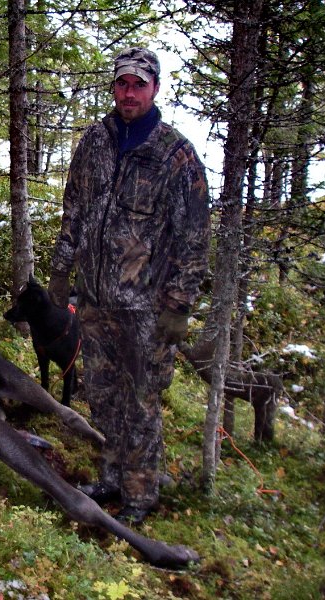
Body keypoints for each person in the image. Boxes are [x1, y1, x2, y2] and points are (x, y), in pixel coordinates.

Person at [48, 47, 211, 525]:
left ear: (155, 88)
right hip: (95, 300)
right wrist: (61, 272)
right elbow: (74, 208)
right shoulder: (94, 142)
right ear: (113, 87)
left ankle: (140, 496)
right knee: (101, 392)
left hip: (146, 308)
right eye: (122, 83)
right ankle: (112, 476)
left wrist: (178, 305)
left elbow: (194, 236)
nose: (129, 93)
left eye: (139, 84)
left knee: (141, 401)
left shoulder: (175, 154)